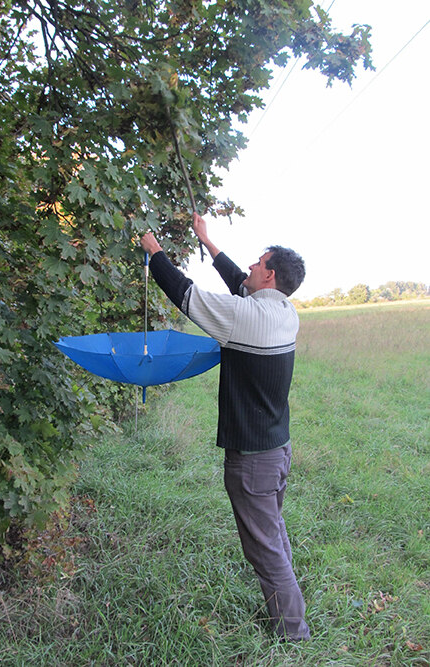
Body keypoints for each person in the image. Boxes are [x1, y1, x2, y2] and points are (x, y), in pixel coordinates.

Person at [140, 212, 310, 641]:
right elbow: (240, 283)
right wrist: (208, 242)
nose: (251, 266)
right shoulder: (284, 311)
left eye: (258, 263)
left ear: (269, 276)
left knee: (264, 548)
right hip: (276, 448)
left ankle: (293, 635)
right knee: (273, 533)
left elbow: (185, 294)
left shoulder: (243, 317)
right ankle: (291, 612)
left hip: (253, 459)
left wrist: (153, 251)